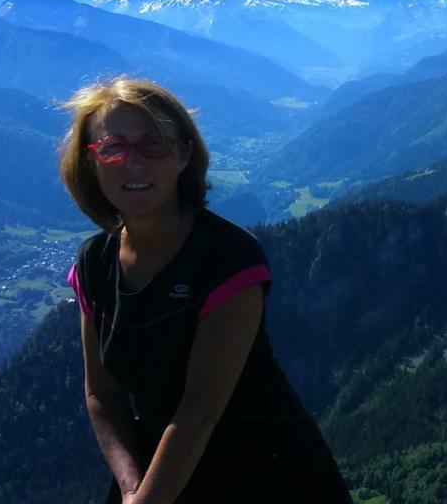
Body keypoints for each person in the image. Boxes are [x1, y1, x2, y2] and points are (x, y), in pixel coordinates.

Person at [59, 76, 350, 503]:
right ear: (91, 162)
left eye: (152, 144)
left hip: (268, 475)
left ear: (183, 154)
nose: (132, 162)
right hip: (158, 474)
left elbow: (200, 411)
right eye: (112, 147)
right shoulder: (93, 265)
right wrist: (130, 486)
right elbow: (101, 395)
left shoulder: (228, 258)